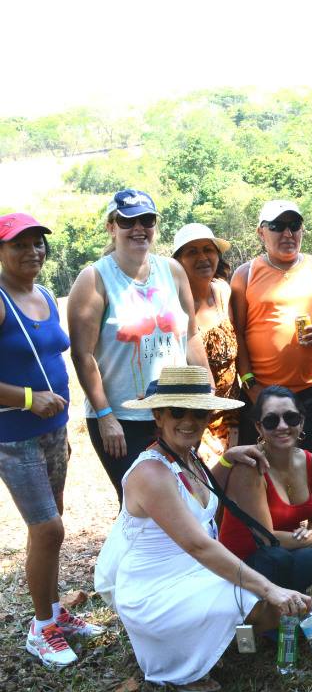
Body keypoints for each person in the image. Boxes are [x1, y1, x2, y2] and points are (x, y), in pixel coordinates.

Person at [98, 365, 311, 692]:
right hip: (153, 589)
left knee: (266, 607)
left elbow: (192, 496)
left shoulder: (187, 457)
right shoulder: (151, 473)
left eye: (198, 412)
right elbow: (199, 545)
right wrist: (271, 589)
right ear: (158, 417)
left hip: (188, 572)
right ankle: (177, 666)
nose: (188, 420)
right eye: (177, 411)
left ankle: (214, 638)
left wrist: (226, 460)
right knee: (263, 600)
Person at [0, 213, 105, 667]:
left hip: (51, 432)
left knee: (51, 529)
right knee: (48, 529)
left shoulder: (43, 293)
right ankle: (41, 630)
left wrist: (56, 426)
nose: (33, 252)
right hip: (14, 436)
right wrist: (27, 398)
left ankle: (55, 612)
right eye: (19, 244)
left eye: (38, 243)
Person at [69, 189, 210, 503]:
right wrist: (105, 415)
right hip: (122, 418)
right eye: (127, 220)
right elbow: (82, 354)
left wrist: (206, 393)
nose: (138, 228)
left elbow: (191, 337)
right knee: (140, 504)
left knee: (184, 497)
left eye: (146, 220)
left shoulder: (171, 271)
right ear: (111, 227)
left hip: (175, 410)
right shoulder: (94, 279)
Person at [229, 200, 312, 502]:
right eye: (277, 226)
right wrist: (249, 383)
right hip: (262, 390)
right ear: (262, 232)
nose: (287, 233)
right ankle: (267, 528)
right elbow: (237, 332)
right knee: (259, 461)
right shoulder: (245, 274)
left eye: (294, 226)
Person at [219, 386, 312, 594]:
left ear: (302, 422)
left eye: (291, 418)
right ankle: (282, 612)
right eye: (271, 421)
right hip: (244, 561)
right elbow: (265, 538)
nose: (282, 426)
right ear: (259, 428)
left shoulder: (309, 461)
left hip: (283, 552)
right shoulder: (249, 467)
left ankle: (291, 598)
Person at [172, 223, 238, 463]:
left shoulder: (222, 292)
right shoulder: (171, 304)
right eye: (191, 252)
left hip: (230, 415)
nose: (202, 258)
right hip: (192, 417)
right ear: (177, 261)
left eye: (208, 250)